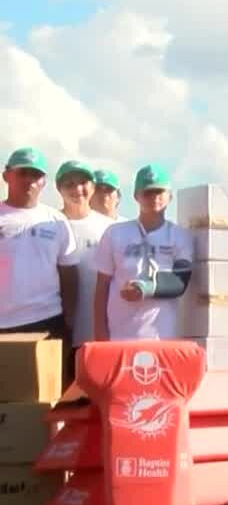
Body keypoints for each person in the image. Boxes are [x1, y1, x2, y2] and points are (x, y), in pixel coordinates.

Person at [93, 165, 194, 342]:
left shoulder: (180, 236)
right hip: (120, 335)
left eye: (159, 191)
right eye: (147, 192)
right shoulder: (114, 233)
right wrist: (100, 332)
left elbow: (180, 282)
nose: (154, 197)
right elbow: (102, 287)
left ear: (170, 196)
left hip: (162, 336)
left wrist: (144, 289)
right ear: (136, 196)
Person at [0, 147, 77, 370]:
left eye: (36, 175)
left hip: (46, 321)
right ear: (6, 175)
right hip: (2, 324)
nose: (30, 181)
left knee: (48, 399)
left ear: (44, 181)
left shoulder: (56, 220)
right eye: (23, 173)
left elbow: (69, 274)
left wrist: (68, 319)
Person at [56, 160, 114, 376]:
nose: (77, 189)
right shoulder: (51, 223)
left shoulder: (109, 228)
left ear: (92, 186)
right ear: (58, 188)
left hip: (98, 334)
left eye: (83, 183)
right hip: (59, 332)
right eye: (69, 184)